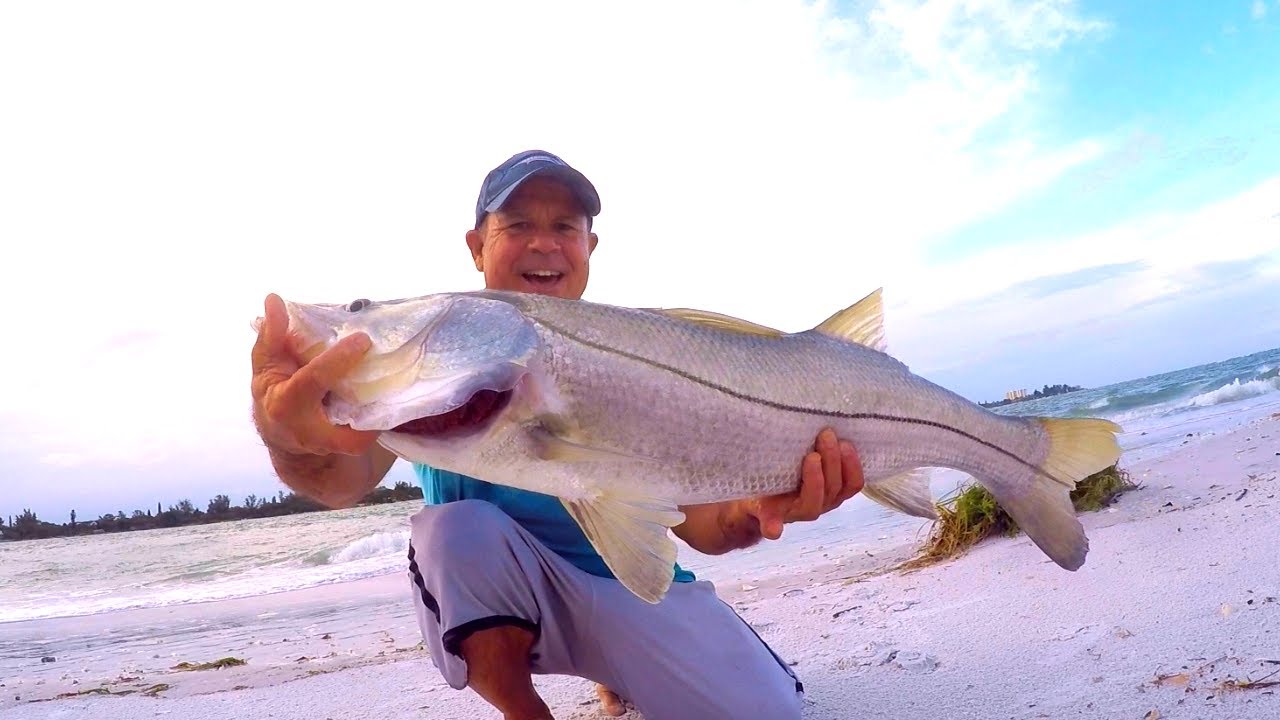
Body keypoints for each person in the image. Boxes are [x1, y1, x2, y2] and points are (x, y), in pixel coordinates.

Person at [250, 150, 866, 720]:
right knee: (458, 532)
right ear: (476, 245)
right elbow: (334, 479)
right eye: (516, 225)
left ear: (590, 246)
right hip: (503, 604)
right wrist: (290, 435)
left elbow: (704, 528)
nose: (543, 244)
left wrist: (764, 509)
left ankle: (622, 668)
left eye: (565, 227)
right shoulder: (423, 380)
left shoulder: (647, 363)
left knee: (767, 713)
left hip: (631, 589)